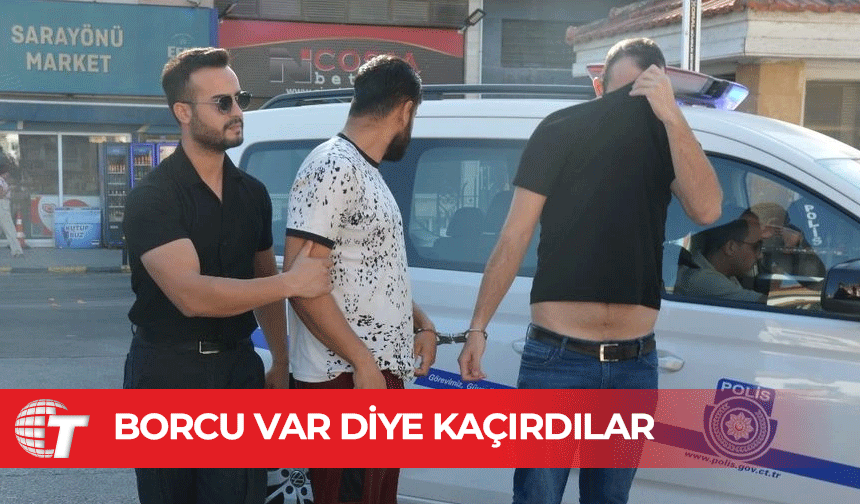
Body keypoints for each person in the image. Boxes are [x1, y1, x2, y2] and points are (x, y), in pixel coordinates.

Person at [457, 38, 723, 504]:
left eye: (641, 93)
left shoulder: (668, 140)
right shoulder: (562, 128)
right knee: (536, 497)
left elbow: (707, 209)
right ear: (599, 87)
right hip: (557, 358)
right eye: (621, 93)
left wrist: (672, 117)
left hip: (634, 364)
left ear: (660, 88)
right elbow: (514, 236)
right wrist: (478, 326)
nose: (626, 106)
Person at [122, 47, 333, 504]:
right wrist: (293, 282)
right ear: (183, 112)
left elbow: (263, 279)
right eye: (223, 103)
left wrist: (280, 361)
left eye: (240, 99)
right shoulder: (153, 197)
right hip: (165, 376)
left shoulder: (252, 193)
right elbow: (192, 296)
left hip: (238, 371)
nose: (237, 111)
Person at [283, 55, 437, 504]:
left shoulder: (364, 170)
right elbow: (300, 283)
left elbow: (370, 271)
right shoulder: (333, 166)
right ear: (405, 110)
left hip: (370, 378)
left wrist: (421, 323)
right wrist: (364, 363)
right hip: (344, 382)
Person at [675, 218, 766, 302]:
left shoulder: (724, 274)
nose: (760, 255)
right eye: (756, 247)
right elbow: (765, 302)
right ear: (731, 247)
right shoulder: (702, 279)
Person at [0, 158, 24, 258]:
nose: (8, 175)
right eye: (7, 173)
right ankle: (17, 251)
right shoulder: (1, 181)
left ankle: (16, 250)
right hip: (2, 205)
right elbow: (1, 195)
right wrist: (9, 188)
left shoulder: (2, 181)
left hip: (3, 205)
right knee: (10, 229)